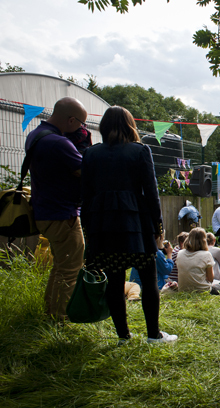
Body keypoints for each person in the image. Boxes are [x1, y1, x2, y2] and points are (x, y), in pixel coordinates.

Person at [81, 105, 177, 344]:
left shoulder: (90, 154)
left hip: (103, 223)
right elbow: (151, 193)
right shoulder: (140, 150)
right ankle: (153, 334)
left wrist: (88, 227)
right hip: (136, 222)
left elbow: (86, 194)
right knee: (147, 276)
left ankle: (123, 336)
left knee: (114, 280)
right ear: (130, 125)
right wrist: (158, 227)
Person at [26, 97, 87, 320]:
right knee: (71, 269)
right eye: (81, 124)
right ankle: (60, 320)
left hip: (45, 210)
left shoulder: (36, 135)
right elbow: (86, 172)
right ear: (71, 120)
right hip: (63, 214)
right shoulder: (59, 143)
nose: (82, 129)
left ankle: (50, 313)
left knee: (61, 267)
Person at [176, 227, 220, 295]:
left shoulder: (180, 253)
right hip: (203, 290)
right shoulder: (206, 254)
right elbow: (210, 279)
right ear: (204, 240)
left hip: (183, 290)